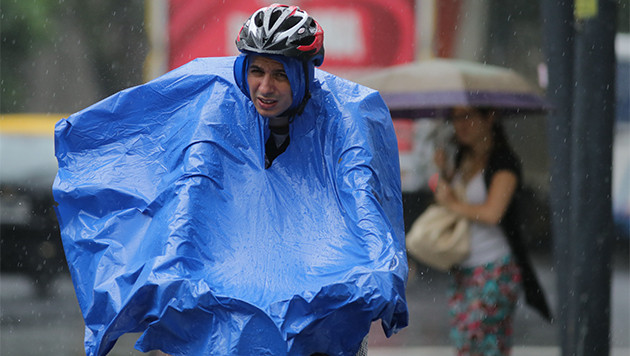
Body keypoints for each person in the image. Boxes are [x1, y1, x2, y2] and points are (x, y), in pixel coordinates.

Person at [53, 4, 407, 356]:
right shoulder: (219, 102)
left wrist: (380, 268)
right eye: (256, 71)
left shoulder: (344, 115)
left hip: (320, 298)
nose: (265, 88)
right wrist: (170, 272)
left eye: (280, 75)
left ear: (303, 75)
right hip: (233, 291)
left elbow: (363, 200)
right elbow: (194, 194)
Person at [433, 106, 552, 356]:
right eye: (455, 118)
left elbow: (492, 213)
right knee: (472, 344)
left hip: (495, 269)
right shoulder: (462, 157)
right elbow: (453, 204)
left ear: (490, 117)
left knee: (478, 342)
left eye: (468, 116)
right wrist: (443, 172)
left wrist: (452, 203)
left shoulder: (504, 163)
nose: (461, 124)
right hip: (463, 268)